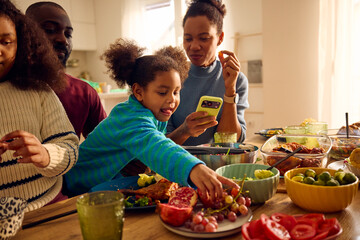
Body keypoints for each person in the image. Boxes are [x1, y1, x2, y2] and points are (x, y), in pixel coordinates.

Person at [64, 39, 239, 201]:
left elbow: (155, 145)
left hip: (109, 180)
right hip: (77, 187)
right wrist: (193, 167)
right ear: (139, 92)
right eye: (162, 92)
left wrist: (185, 130)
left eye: (176, 92)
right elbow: (156, 145)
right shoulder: (130, 118)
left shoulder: (152, 111)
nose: (172, 99)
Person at [0, 0, 78, 212]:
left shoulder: (38, 91)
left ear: (21, 44)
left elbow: (70, 148)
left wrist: (45, 155)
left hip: (49, 208)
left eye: (6, 41)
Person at [166, 0, 249, 146]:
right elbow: (159, 142)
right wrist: (185, 131)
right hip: (176, 163)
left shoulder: (237, 80)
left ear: (220, 38)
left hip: (217, 164)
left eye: (204, 38)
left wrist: (230, 92)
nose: (194, 46)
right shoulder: (172, 78)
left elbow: (231, 140)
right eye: (188, 38)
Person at [25, 2, 107, 139]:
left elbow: (105, 147)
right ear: (24, 35)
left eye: (68, 34)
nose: (63, 40)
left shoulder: (84, 93)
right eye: (50, 30)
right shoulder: (7, 86)